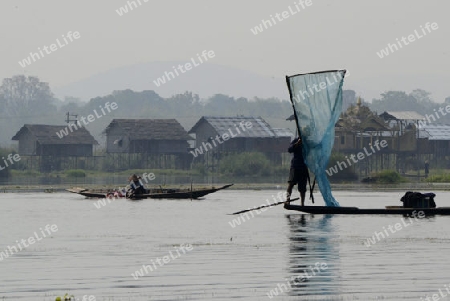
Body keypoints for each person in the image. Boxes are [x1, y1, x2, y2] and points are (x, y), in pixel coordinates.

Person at [285, 137, 309, 206]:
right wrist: (297, 143)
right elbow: (289, 150)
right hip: (295, 166)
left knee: (303, 188)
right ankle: (288, 200)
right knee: (291, 184)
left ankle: (302, 204)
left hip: (303, 167)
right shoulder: (296, 140)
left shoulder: (308, 142)